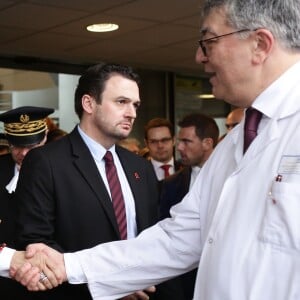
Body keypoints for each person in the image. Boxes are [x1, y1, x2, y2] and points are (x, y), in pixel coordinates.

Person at [11, 0, 300, 299]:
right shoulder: (236, 143)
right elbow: (177, 240)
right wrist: (68, 265)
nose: (200, 55)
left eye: (209, 41)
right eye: (121, 102)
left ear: (260, 44)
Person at [14, 63, 184, 300]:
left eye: (135, 105)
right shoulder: (46, 162)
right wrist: (111, 283)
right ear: (89, 104)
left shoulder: (140, 168)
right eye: (121, 102)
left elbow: (153, 238)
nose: (132, 113)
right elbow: (36, 242)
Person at [159, 113, 219, 299]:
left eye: (187, 141)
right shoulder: (169, 184)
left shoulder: (232, 179)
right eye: (179, 141)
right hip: (180, 284)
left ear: (207, 143)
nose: (180, 148)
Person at [0, 106, 54, 299]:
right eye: (16, 145)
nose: (23, 153)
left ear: (45, 137)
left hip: (48, 281)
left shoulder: (61, 170)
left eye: (31, 146)